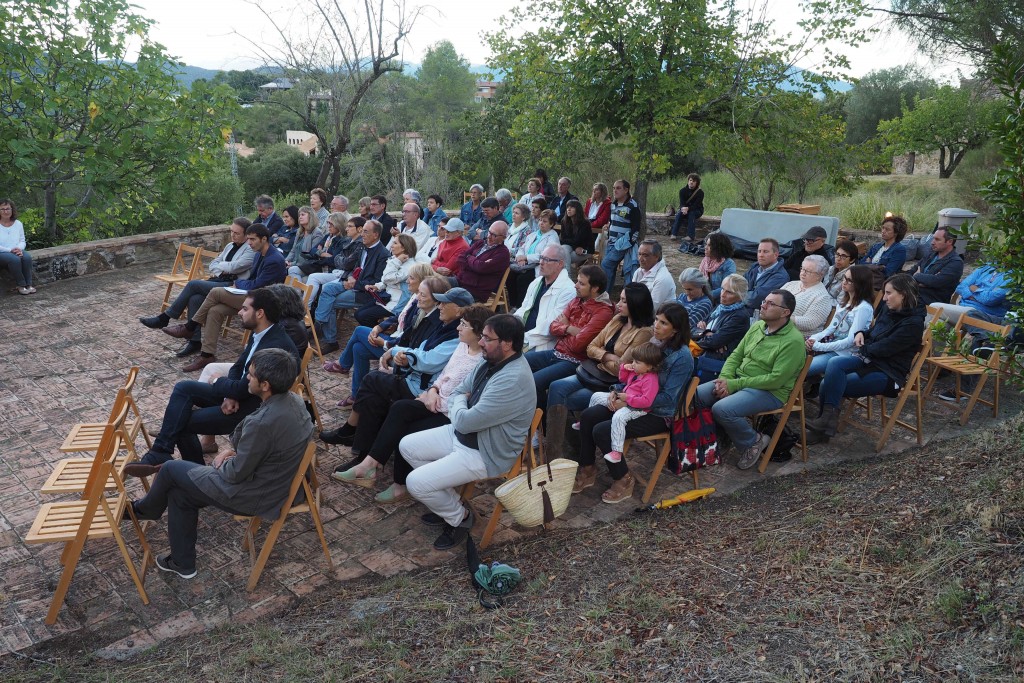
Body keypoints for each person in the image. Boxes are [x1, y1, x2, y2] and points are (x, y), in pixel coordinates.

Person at [130, 348, 312, 580]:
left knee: (170, 469)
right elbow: (266, 446)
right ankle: (182, 562)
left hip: (258, 493)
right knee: (179, 493)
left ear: (265, 385)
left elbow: (235, 473)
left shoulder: (262, 422)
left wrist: (219, 463)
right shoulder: (295, 401)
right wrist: (230, 450)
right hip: (280, 482)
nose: (246, 377)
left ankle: (145, 509)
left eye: (251, 374)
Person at [397, 314, 536, 549]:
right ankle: (453, 505)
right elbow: (460, 391)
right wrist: (461, 400)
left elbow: (464, 420)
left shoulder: (512, 379)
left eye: (487, 338)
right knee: (407, 446)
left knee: (416, 483)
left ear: (507, 343)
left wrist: (459, 402)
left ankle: (459, 518)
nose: (480, 342)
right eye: (481, 336)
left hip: (487, 451)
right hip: (465, 436)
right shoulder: (490, 359)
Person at [126, 288, 300, 476]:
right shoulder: (261, 332)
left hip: (252, 409)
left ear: (260, 313)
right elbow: (238, 367)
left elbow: (246, 388)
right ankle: (162, 451)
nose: (239, 312)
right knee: (184, 388)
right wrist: (230, 393)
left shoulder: (273, 344)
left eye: (244, 309)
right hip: (242, 395)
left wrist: (218, 382)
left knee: (183, 422)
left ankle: (195, 474)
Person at [330, 302, 491, 495]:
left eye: (464, 325)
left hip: (450, 413)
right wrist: (432, 391)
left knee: (402, 420)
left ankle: (398, 482)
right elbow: (443, 375)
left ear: (479, 332)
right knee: (396, 406)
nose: (458, 327)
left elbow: (468, 396)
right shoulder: (463, 347)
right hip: (433, 399)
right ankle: (368, 465)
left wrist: (434, 399)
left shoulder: (482, 361)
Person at [322, 288, 474, 464]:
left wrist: (395, 351)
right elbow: (419, 348)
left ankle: (349, 431)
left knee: (372, 379)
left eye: (445, 303)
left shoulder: (456, 336)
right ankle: (362, 453)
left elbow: (429, 360)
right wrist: (400, 353)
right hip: (415, 378)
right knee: (373, 396)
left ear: (459, 310)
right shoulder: (445, 326)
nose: (440, 305)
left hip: (421, 387)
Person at [572, 303, 692, 503]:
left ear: (676, 329)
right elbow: (634, 377)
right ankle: (588, 468)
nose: (656, 325)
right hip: (634, 402)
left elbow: (668, 398)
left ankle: (624, 479)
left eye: (663, 323)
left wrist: (629, 404)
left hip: (659, 414)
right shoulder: (655, 342)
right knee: (588, 416)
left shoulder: (683, 358)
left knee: (602, 430)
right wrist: (616, 392)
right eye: (656, 320)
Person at [807, 274, 926, 443]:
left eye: (888, 293)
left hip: (888, 372)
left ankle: (823, 427)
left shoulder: (913, 323)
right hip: (869, 359)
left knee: (829, 383)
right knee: (833, 366)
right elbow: (875, 331)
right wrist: (861, 333)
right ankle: (825, 423)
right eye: (884, 293)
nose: (884, 298)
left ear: (903, 294)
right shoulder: (890, 308)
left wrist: (862, 347)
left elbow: (885, 348)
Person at [695, 289, 806, 469]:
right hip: (739, 380)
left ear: (785, 312)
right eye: (765, 300)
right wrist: (725, 379)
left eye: (771, 304)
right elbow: (735, 355)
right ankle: (721, 436)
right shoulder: (757, 326)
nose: (763, 305)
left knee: (722, 409)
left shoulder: (793, 341)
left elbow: (776, 379)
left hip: (769, 391)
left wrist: (734, 384)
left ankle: (753, 440)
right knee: (696, 396)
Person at [544, 283, 655, 456]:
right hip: (594, 372)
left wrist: (601, 356)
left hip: (612, 383)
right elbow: (591, 347)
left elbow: (621, 368)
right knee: (555, 387)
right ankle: (556, 443)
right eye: (620, 299)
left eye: (624, 301)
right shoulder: (617, 319)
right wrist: (608, 356)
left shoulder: (643, 332)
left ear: (636, 304)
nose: (618, 304)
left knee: (567, 400)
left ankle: (573, 449)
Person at [162, 224, 288, 371]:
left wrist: (237, 283)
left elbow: (257, 285)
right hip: (252, 295)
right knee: (215, 310)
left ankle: (190, 327)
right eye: (248, 239)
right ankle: (207, 354)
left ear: (264, 239)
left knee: (216, 292)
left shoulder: (274, 259)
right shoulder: (260, 253)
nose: (249, 243)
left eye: (252, 239)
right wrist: (239, 284)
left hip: (264, 302)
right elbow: (253, 279)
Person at [139, 217, 255, 357]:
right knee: (195, 298)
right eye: (231, 231)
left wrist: (223, 267)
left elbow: (235, 267)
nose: (232, 235)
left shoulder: (250, 249)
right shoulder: (230, 246)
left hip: (233, 285)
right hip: (219, 280)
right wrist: (223, 268)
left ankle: (165, 317)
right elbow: (213, 264)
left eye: (236, 233)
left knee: (193, 284)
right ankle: (194, 342)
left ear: (246, 234)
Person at [323, 267, 442, 403]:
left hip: (400, 353)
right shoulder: (415, 298)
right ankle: (357, 396)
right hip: (395, 341)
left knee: (359, 331)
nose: (408, 281)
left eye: (412, 278)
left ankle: (343, 365)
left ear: (423, 281)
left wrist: (385, 344)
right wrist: (379, 327)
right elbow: (399, 316)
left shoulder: (424, 309)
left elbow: (408, 340)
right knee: (358, 348)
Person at [525, 265, 614, 410]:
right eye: (577, 281)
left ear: (595, 288)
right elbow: (553, 327)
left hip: (576, 361)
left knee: (534, 381)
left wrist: (565, 328)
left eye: (581, 283)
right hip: (557, 352)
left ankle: (543, 428)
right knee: (521, 362)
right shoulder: (577, 300)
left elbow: (578, 345)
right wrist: (569, 328)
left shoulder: (603, 311)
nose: (576, 286)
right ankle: (535, 421)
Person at [313, 219, 389, 353]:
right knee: (327, 289)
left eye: (365, 231)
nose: (362, 234)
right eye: (362, 231)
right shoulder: (363, 246)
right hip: (353, 282)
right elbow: (352, 266)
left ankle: (329, 339)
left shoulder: (382, 254)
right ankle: (319, 324)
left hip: (365, 293)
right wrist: (349, 276)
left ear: (376, 235)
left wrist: (355, 283)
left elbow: (377, 282)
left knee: (330, 301)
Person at [579, 342, 662, 464]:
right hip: (624, 398)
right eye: (633, 361)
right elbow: (622, 379)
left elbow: (646, 401)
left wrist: (627, 398)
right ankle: (583, 421)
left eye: (637, 363)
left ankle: (617, 451)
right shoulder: (637, 373)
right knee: (597, 396)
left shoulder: (651, 380)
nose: (633, 364)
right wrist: (624, 368)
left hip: (638, 409)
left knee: (618, 418)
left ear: (649, 366)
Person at [804, 264, 875, 388]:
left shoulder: (863, 308)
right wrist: (814, 338)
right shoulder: (843, 303)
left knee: (801, 369)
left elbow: (850, 341)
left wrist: (820, 346)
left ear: (860, 284)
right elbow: (831, 328)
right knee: (793, 361)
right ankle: (812, 381)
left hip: (843, 354)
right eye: (844, 278)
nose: (844, 282)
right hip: (830, 348)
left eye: (849, 280)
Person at [518, 245, 577, 352]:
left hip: (541, 344)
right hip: (522, 336)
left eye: (547, 260)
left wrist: (521, 339)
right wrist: (510, 327)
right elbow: (523, 309)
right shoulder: (536, 282)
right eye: (541, 257)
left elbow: (551, 328)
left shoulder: (568, 290)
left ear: (560, 264)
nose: (541, 262)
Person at [352, 233, 418, 326]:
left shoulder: (410, 266)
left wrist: (396, 261)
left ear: (403, 247)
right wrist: (377, 286)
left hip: (396, 304)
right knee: (358, 313)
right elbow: (385, 279)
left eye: (395, 243)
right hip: (386, 298)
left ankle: (377, 336)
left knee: (363, 316)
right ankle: (375, 333)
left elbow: (388, 278)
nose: (392, 245)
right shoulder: (395, 259)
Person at [306, 215, 365, 303]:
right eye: (328, 223)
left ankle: (306, 307)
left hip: (340, 273)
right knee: (294, 270)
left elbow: (343, 262)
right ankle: (303, 306)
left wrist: (335, 258)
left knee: (316, 280)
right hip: (332, 269)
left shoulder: (346, 241)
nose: (329, 226)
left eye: (331, 224)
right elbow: (312, 250)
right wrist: (321, 253)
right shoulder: (329, 237)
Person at [509, 209, 561, 307]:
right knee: (510, 275)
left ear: (551, 224)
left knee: (522, 279)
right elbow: (522, 247)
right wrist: (520, 256)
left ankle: (521, 306)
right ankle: (513, 305)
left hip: (539, 266)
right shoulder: (534, 234)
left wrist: (526, 257)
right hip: (524, 264)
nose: (541, 223)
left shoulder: (552, 238)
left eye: (545, 221)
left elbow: (546, 255)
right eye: (540, 220)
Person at [693, 273, 750, 360]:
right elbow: (693, 329)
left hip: (715, 362)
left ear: (740, 296)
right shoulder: (720, 307)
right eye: (723, 289)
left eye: (729, 292)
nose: (723, 294)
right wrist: (706, 333)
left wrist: (703, 333)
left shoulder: (739, 316)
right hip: (702, 353)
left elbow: (714, 342)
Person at [602, 179, 643, 291]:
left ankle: (604, 295)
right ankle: (606, 296)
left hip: (622, 243)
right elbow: (613, 221)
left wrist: (629, 242)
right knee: (611, 269)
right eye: (614, 188)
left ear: (626, 190)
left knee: (606, 264)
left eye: (618, 188)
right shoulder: (613, 204)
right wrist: (608, 226)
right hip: (611, 242)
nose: (615, 190)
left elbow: (636, 227)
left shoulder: (632, 206)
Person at [456, 220, 510, 302]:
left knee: (448, 297)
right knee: (435, 283)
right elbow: (460, 258)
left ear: (503, 237)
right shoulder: (480, 243)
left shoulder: (502, 253)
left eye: (494, 235)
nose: (489, 236)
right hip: (461, 281)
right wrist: (476, 263)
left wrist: (469, 257)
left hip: (475, 291)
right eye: (489, 232)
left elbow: (480, 268)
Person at [781, 255, 836, 336]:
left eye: (808, 271)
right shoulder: (790, 284)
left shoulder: (822, 297)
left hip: (798, 337)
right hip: (779, 330)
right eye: (802, 269)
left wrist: (780, 316)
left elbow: (810, 323)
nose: (803, 273)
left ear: (819, 275)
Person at [911, 227, 964, 305]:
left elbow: (936, 281)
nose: (932, 242)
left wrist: (917, 275)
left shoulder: (956, 262)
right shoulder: (931, 254)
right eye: (933, 239)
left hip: (933, 300)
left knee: (897, 299)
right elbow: (912, 271)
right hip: (916, 293)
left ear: (949, 241)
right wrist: (921, 280)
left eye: (937, 239)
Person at [743, 238, 789, 314]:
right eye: (759, 251)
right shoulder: (754, 267)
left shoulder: (780, 276)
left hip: (756, 316)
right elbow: (737, 285)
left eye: (765, 252)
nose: (761, 255)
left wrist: (737, 295)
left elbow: (755, 300)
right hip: (740, 308)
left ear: (776, 255)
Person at [0, 198, 34, 294]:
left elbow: (22, 240)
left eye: (8, 208)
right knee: (14, 259)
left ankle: (29, 284)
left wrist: (19, 249)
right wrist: (10, 250)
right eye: (3, 209)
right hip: (2, 252)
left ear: (12, 210)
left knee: (26, 257)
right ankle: (21, 285)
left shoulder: (18, 224)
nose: (6, 211)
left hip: (16, 250)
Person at [632, 239, 676, 309]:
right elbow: (631, 296)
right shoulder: (638, 271)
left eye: (645, 255)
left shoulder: (663, 278)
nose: (640, 259)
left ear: (656, 256)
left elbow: (651, 309)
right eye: (639, 254)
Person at [284, 206, 323, 279]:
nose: (300, 217)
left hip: (308, 266)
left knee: (292, 270)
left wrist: (292, 264)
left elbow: (310, 255)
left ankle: (296, 290)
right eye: (299, 215)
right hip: (296, 264)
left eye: (303, 215)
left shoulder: (317, 233)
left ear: (310, 216)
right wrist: (286, 261)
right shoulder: (299, 231)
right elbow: (293, 250)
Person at [559, 199, 595, 273]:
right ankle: (567, 276)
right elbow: (562, 239)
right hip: (573, 247)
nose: (569, 209)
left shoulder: (585, 223)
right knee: (564, 249)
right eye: (567, 207)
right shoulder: (564, 221)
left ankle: (565, 277)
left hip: (585, 249)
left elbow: (579, 240)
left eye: (572, 207)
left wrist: (575, 245)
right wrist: (575, 247)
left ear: (577, 209)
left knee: (562, 257)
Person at [700, 231, 737, 303]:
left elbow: (726, 287)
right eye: (706, 244)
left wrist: (706, 296)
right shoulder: (705, 261)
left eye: (709, 245)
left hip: (719, 301)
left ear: (718, 248)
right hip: (704, 298)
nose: (705, 247)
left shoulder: (728, 264)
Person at [676, 268, 714, 334]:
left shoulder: (704, 303)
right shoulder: (682, 296)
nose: (687, 293)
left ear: (701, 286)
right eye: (685, 289)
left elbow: (685, 326)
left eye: (690, 289)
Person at [670, 173, 705, 243]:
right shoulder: (682, 191)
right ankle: (674, 234)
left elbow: (696, 205)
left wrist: (688, 209)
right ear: (688, 181)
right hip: (685, 209)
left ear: (697, 183)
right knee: (679, 214)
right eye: (690, 180)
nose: (691, 182)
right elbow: (682, 203)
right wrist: (683, 209)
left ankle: (690, 236)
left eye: (694, 181)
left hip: (697, 210)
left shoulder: (700, 193)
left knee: (691, 214)